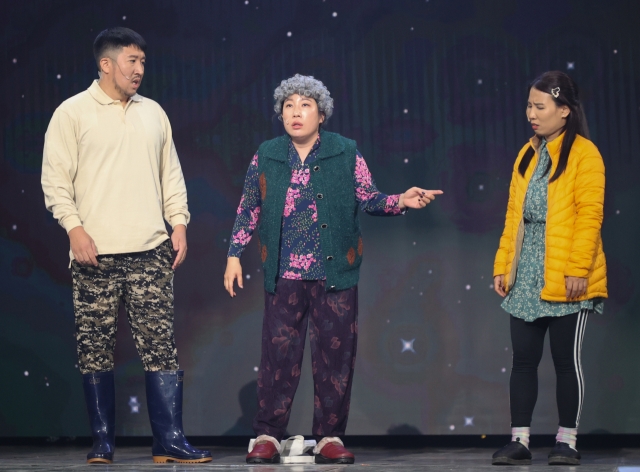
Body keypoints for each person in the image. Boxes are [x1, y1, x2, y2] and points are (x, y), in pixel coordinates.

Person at [224, 74, 443, 464]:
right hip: (284, 273)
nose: (296, 112)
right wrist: (233, 254)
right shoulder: (267, 154)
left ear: (321, 113)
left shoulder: (345, 152)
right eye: (289, 105)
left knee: (335, 358)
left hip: (335, 274)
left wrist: (401, 201)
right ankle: (268, 435)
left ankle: (329, 436)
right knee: (278, 357)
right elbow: (248, 207)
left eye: (305, 105)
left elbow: (369, 198)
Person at [41, 27, 211, 465]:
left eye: (142, 63)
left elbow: (170, 173)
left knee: (161, 346)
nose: (139, 70)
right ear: (106, 64)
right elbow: (55, 181)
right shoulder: (72, 112)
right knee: (94, 347)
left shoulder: (153, 112)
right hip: (94, 253)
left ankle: (168, 441)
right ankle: (102, 441)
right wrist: (74, 228)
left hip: (149, 250)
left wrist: (179, 222)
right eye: (131, 61)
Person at [491, 71, 607, 466]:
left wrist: (578, 269)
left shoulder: (584, 154)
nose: (531, 114)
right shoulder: (527, 153)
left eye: (540, 107)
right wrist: (503, 266)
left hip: (566, 272)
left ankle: (567, 441)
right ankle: (519, 439)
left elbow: (590, 216)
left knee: (564, 362)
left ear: (564, 110)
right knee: (522, 360)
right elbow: (513, 217)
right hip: (526, 272)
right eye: (529, 105)